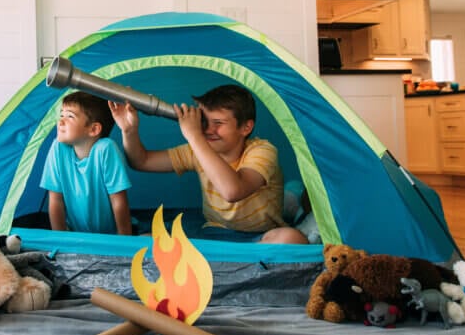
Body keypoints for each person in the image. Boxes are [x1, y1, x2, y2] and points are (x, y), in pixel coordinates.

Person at [109, 84, 308, 244]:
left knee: (292, 238)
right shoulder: (199, 148)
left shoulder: (262, 151)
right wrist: (129, 131)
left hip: (257, 237)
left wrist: (195, 136)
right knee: (145, 242)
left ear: (246, 127)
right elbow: (141, 161)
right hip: (213, 234)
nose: (209, 130)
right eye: (205, 122)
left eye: (218, 123)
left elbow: (233, 191)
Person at [40, 92, 133, 235]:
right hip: (76, 234)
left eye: (70, 116)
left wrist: (125, 240)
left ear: (93, 129)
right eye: (61, 115)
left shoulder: (105, 149)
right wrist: (60, 239)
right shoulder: (58, 148)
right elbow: (55, 200)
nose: (61, 122)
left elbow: (118, 201)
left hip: (111, 234)